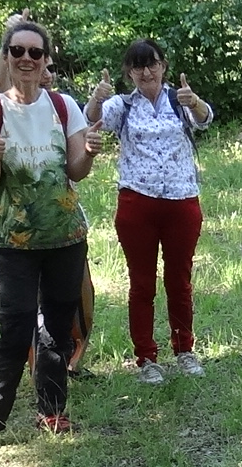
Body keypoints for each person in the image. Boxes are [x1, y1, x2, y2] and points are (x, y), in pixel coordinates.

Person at [0, 16, 100, 458]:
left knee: (58, 330)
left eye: (34, 52)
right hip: (14, 242)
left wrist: (90, 154)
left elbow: (75, 171)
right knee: (15, 330)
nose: (25, 59)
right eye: (16, 51)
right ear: (5, 57)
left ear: (45, 60)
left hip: (64, 236)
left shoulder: (63, 107)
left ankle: (52, 410)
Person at [88, 40, 214, 383]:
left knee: (180, 280)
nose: (146, 72)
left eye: (152, 64)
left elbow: (204, 120)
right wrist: (97, 97)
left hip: (182, 201)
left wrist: (196, 101)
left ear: (164, 66)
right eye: (138, 66)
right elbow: (93, 120)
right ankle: (146, 358)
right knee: (141, 284)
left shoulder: (180, 100)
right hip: (137, 203)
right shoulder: (123, 105)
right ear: (129, 72)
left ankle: (184, 350)